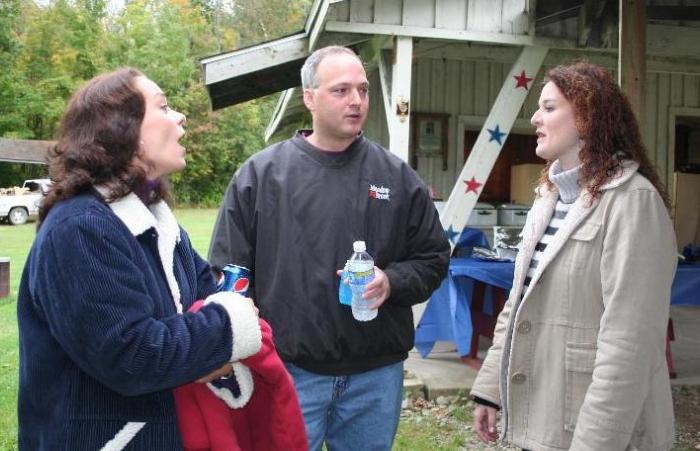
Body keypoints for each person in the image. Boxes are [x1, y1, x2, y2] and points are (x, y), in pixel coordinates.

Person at [209, 45, 450, 450]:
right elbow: (228, 272)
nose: (356, 101)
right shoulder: (262, 175)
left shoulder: (396, 176)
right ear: (309, 98)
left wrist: (390, 282)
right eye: (341, 91)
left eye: (363, 89)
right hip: (289, 371)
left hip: (376, 376)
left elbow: (433, 258)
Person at [17, 68, 262, 450]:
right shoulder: (80, 228)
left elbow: (207, 296)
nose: (180, 117)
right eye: (163, 106)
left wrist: (213, 337)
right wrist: (230, 331)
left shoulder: (159, 223)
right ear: (122, 129)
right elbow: (132, 356)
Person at [471, 61, 677, 451]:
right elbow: (519, 304)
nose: (534, 118)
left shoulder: (634, 202)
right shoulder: (548, 196)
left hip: (596, 432)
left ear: (586, 117)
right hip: (546, 421)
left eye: (549, 108)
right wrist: (489, 389)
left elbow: (630, 344)